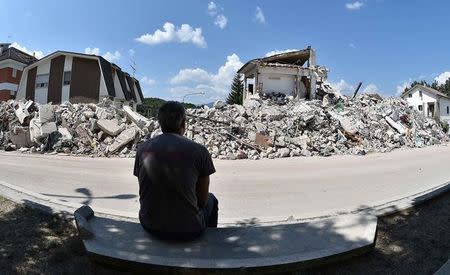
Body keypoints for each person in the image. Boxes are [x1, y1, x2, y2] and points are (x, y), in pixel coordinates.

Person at [133, 101, 218, 241]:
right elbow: (202, 201)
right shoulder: (200, 151)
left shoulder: (142, 149)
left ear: (160, 123)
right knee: (212, 200)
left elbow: (145, 189)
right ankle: (209, 244)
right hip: (189, 230)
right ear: (184, 124)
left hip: (149, 224)